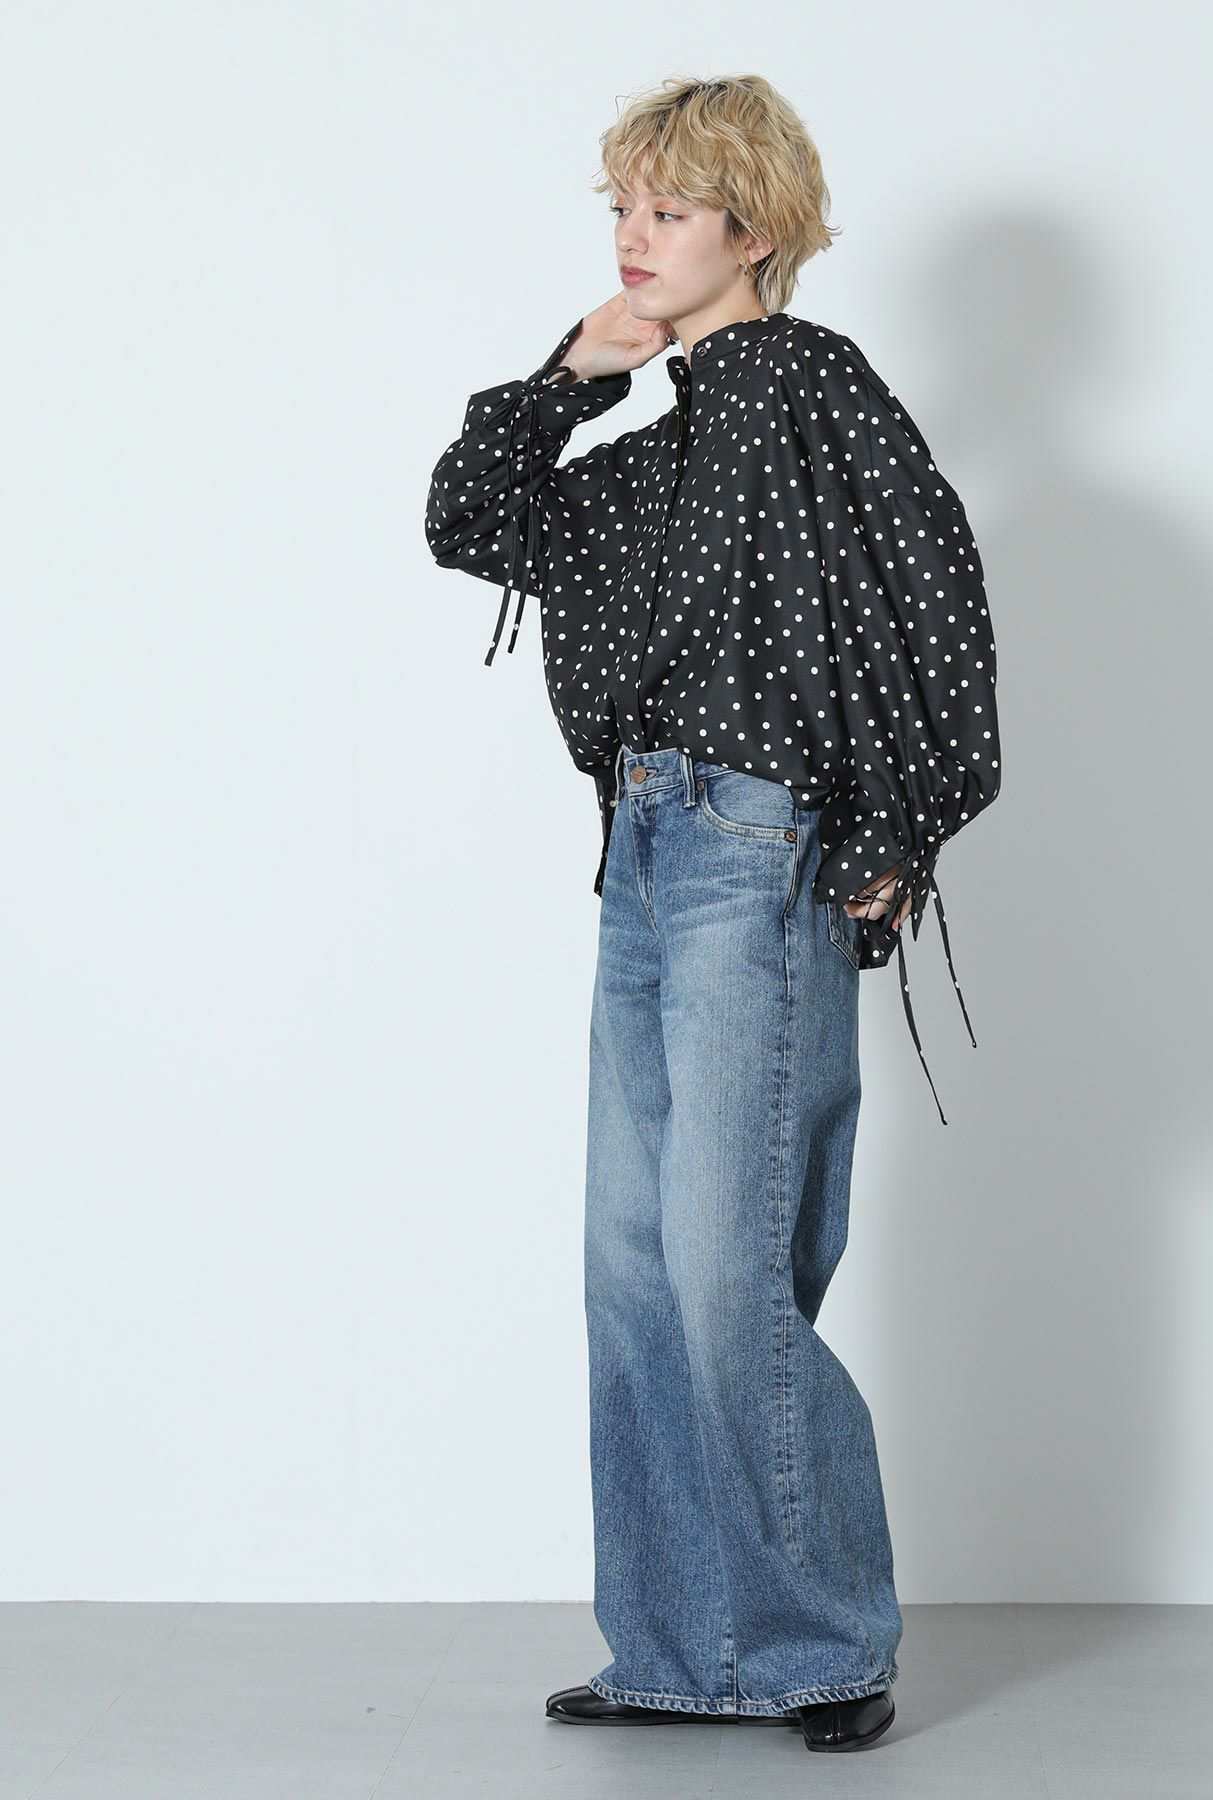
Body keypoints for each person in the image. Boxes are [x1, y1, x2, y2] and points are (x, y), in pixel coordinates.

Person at [424, 73, 1001, 1756]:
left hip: (758, 851)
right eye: (622, 206)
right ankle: (684, 1644)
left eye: (668, 209)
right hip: (642, 850)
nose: (632, 234)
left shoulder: (813, 389)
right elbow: (469, 524)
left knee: (722, 1264)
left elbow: (939, 593)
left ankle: (821, 1641)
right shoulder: (654, 448)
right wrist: (568, 377)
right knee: (629, 1267)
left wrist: (895, 828)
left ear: (752, 231)